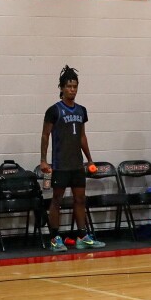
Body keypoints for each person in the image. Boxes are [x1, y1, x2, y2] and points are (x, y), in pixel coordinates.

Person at [40, 65, 105, 252]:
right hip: (60, 164)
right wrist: (43, 160)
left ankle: (82, 236)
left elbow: (82, 136)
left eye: (75, 86)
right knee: (57, 200)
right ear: (61, 88)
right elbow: (45, 135)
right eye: (69, 86)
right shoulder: (54, 110)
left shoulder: (81, 110)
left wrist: (90, 159)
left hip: (77, 163)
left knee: (80, 199)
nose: (72, 90)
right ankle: (54, 238)